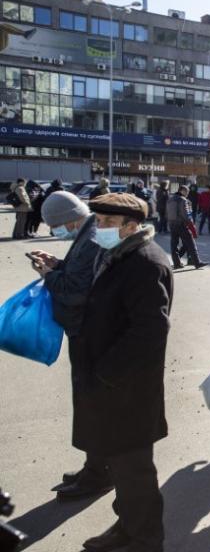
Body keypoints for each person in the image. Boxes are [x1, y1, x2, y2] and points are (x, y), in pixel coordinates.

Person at [74, 193, 172, 552]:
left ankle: (146, 540)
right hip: (112, 386)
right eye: (97, 221)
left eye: (105, 223)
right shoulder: (119, 254)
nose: (98, 229)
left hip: (127, 388)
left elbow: (149, 332)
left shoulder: (146, 263)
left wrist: (107, 372)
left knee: (134, 470)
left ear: (131, 227)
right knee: (121, 466)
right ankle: (127, 527)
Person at [28, 192, 111, 500]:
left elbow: (77, 291)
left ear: (71, 219)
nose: (55, 232)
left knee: (92, 406)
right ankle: (95, 467)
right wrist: (58, 265)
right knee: (91, 406)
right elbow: (80, 275)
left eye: (56, 226)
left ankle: (98, 472)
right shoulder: (88, 233)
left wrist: (49, 275)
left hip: (89, 333)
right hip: (87, 331)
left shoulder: (91, 239)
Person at [165, 186, 206, 270]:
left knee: (174, 244)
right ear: (182, 191)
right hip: (182, 224)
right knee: (191, 243)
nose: (187, 194)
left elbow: (167, 213)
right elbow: (186, 215)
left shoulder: (170, 200)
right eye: (187, 192)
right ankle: (197, 262)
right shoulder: (183, 200)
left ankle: (177, 263)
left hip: (172, 224)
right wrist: (191, 224)